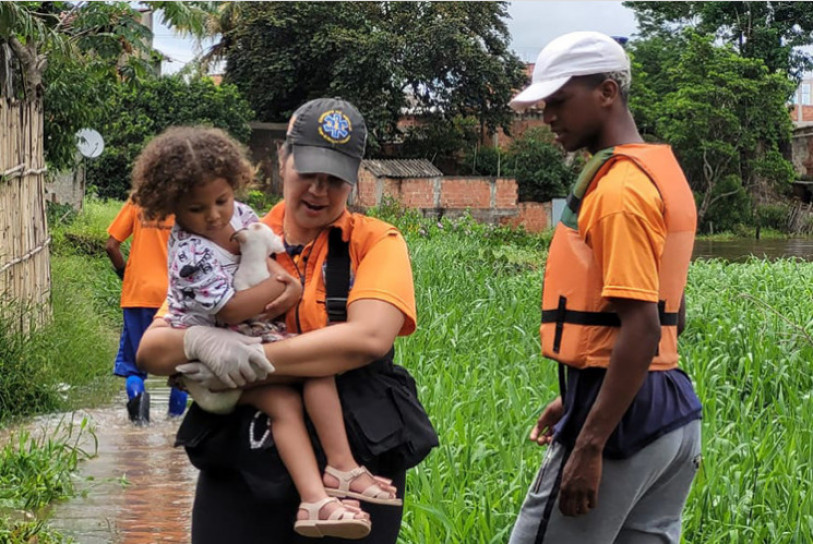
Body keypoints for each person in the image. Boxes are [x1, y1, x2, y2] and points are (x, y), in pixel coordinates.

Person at [134, 99, 438, 543]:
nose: (318, 190)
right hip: (245, 455)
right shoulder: (232, 236)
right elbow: (153, 350)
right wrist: (203, 341)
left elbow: (366, 339)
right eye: (308, 173)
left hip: (354, 444)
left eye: (334, 179)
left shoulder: (376, 242)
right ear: (282, 159)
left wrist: (249, 358)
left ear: (354, 179)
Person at [506, 32, 702, 543]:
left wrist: (589, 439)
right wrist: (573, 398)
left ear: (608, 92)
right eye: (544, 103)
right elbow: (659, 318)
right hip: (671, 410)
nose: (547, 115)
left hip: (624, 426)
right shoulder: (655, 173)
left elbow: (641, 328)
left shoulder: (618, 191)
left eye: (559, 100)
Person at [106, 198, 188, 424]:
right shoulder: (186, 203)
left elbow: (111, 246)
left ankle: (139, 422)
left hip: (139, 293)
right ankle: (173, 429)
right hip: (176, 296)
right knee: (181, 369)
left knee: (134, 367)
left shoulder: (137, 201)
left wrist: (125, 274)